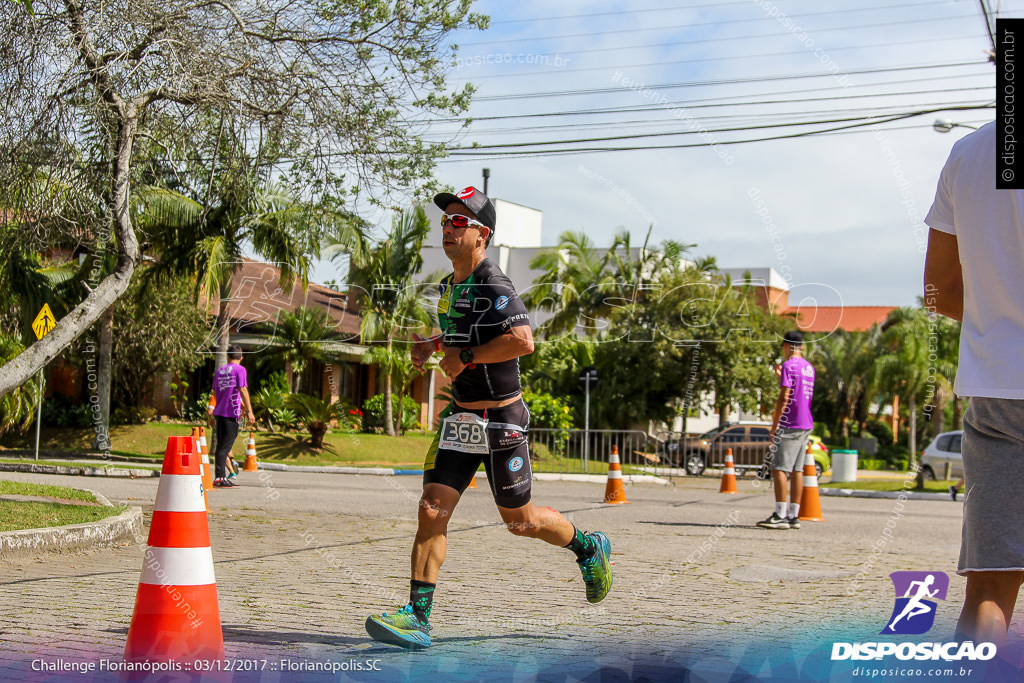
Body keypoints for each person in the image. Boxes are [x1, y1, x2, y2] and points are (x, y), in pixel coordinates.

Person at [364, 186, 613, 650]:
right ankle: (417, 618)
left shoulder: (493, 281)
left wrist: (467, 357)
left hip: (501, 421)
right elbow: (460, 335)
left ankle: (587, 546)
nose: (449, 229)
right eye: (445, 222)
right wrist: (435, 346)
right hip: (461, 419)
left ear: (483, 235)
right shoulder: (449, 286)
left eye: (460, 222)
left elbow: (522, 339)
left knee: (521, 523)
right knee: (431, 509)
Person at [924, 120, 1024, 644]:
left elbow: (937, 291)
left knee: (990, 587)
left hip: (1000, 391)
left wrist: (995, 316)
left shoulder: (967, 154)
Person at [757, 330, 815, 530]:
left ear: (786, 346)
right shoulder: (809, 367)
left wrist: (775, 425)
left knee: (779, 467)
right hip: (806, 422)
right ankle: (793, 515)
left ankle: (780, 514)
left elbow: (785, 397)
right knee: (797, 469)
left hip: (789, 422)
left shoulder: (788, 366)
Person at [207, 345, 255, 488]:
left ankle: (220, 476)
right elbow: (243, 389)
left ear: (228, 357)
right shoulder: (240, 370)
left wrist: (210, 412)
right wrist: (250, 411)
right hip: (230, 412)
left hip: (219, 413)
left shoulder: (220, 371)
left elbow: (215, 393)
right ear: (241, 357)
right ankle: (219, 478)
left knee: (222, 445)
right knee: (225, 446)